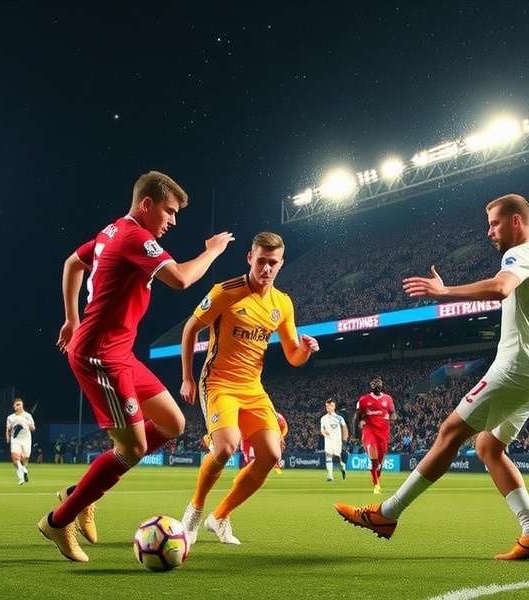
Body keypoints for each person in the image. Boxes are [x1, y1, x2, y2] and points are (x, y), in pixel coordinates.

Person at [335, 193, 529, 560]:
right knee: (488, 447)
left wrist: (444, 292)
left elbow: (501, 288)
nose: (489, 232)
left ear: (516, 221)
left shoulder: (518, 255)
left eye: (495, 223)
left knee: (450, 432)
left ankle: (386, 515)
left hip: (515, 368)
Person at [37, 170, 234, 563]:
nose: (173, 221)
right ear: (146, 205)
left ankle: (82, 493)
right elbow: (181, 279)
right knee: (133, 447)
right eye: (169, 211)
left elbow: (73, 263)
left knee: (173, 423)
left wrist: (71, 318)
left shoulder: (110, 232)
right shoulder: (133, 237)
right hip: (99, 357)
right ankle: (58, 521)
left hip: (120, 353)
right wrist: (213, 251)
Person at [179, 232, 319, 545]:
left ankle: (220, 516)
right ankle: (195, 511)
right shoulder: (225, 291)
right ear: (249, 258)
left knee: (270, 454)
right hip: (218, 382)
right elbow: (190, 329)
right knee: (226, 447)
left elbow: (293, 356)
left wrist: (306, 350)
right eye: (261, 261)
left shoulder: (282, 304)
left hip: (253, 388)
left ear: (281, 264)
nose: (266, 268)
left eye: (273, 263)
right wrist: (187, 377)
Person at [354, 379, 396, 492]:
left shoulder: (388, 399)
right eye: (375, 386)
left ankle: (377, 479)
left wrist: (392, 419)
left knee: (380, 462)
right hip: (369, 430)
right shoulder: (363, 400)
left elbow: (393, 413)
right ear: (371, 387)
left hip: (383, 432)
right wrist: (357, 431)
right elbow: (357, 416)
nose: (378, 388)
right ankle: (376, 485)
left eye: (379, 386)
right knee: (374, 458)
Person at [6, 398, 36, 485]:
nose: (18, 406)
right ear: (14, 406)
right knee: (15, 458)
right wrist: (7, 437)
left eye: (19, 404)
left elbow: (33, 428)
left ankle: (24, 470)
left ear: (22, 405)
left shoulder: (28, 416)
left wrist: (27, 422)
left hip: (26, 439)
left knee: (25, 458)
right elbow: (8, 429)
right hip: (15, 439)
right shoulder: (10, 417)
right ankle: (21, 478)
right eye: (16, 405)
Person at [321, 399, 348, 481]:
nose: (329, 407)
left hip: (337, 441)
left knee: (337, 458)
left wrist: (344, 441)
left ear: (334, 407)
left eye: (331, 405)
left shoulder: (339, 418)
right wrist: (324, 433)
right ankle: (330, 476)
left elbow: (345, 429)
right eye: (327, 406)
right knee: (328, 456)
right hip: (328, 440)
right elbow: (322, 430)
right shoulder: (323, 418)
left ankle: (342, 466)